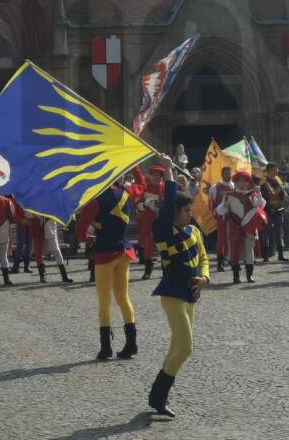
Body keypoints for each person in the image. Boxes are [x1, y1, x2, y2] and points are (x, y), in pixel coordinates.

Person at [147, 156, 210, 419]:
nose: (190, 214)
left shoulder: (194, 232)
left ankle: (156, 397)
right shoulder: (164, 230)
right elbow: (170, 201)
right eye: (186, 211)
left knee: (177, 346)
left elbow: (204, 259)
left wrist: (205, 278)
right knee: (185, 347)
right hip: (173, 293)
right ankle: (159, 395)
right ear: (174, 212)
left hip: (191, 294)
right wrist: (170, 172)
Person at [74, 169, 143, 361]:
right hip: (125, 251)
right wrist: (136, 167)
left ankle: (106, 348)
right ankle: (131, 344)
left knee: (104, 301)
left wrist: (89, 238)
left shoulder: (94, 200)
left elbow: (80, 231)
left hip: (105, 253)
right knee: (123, 298)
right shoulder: (127, 193)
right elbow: (142, 185)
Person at [216, 171, 266, 284]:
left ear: (248, 183)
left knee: (249, 249)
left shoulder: (252, 195)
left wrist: (259, 194)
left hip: (249, 226)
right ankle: (236, 276)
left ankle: (250, 275)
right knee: (235, 250)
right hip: (235, 225)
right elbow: (220, 210)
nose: (243, 183)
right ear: (237, 182)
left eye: (245, 181)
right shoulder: (230, 195)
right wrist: (224, 206)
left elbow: (260, 206)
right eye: (240, 181)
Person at [134, 164, 165, 280]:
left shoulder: (165, 188)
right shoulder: (145, 188)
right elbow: (137, 204)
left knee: (164, 247)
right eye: (154, 176)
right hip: (148, 222)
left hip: (161, 222)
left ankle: (165, 270)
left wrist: (159, 205)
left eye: (159, 176)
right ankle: (148, 271)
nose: (157, 178)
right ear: (150, 176)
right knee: (149, 247)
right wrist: (144, 204)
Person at [260, 162, 289, 262]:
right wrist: (270, 204)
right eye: (274, 169)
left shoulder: (278, 180)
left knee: (279, 232)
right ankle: (266, 256)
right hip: (268, 209)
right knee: (266, 232)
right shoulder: (264, 181)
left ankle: (280, 255)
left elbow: (282, 194)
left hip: (278, 209)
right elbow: (263, 196)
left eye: (277, 169)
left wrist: (282, 199)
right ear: (269, 171)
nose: (276, 171)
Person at [207, 166, 234, 272]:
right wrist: (216, 213)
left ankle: (232, 259)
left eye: (229, 173)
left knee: (232, 238)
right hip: (222, 217)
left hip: (233, 217)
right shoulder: (215, 187)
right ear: (222, 174)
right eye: (226, 173)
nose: (228, 175)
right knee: (222, 239)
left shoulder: (234, 186)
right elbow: (211, 203)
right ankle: (220, 263)